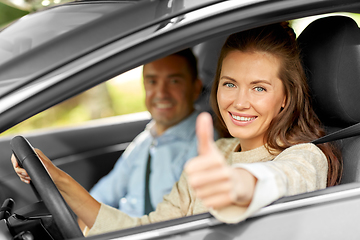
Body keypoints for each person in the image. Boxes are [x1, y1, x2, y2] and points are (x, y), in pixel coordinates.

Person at [12, 22, 342, 236]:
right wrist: (60, 180)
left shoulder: (307, 157)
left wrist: (235, 185)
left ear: (286, 97)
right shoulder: (217, 151)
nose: (239, 102)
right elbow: (148, 230)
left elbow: (279, 180)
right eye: (230, 84)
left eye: (259, 88)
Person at [89, 49, 204, 217]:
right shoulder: (144, 141)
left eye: (174, 81)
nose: (161, 93)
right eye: (152, 82)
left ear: (195, 88)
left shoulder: (203, 144)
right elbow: (100, 197)